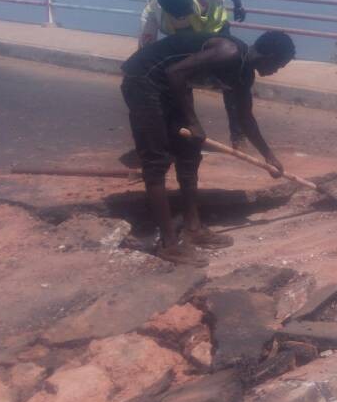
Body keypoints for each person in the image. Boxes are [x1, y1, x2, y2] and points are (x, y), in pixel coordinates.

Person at [120, 30, 295, 266]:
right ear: (270, 55)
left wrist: (268, 156)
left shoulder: (243, 75)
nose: (276, 71)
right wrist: (192, 121)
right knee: (156, 161)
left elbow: (245, 117)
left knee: (190, 153)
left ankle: (193, 228)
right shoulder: (228, 52)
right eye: (279, 65)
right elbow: (174, 72)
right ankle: (169, 244)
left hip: (172, 87)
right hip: (145, 79)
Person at [139, 0, 249, 148]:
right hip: (186, 42)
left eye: (188, 9)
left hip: (217, 32)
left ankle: (238, 135)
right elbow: (146, 50)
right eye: (181, 16)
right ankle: (188, 128)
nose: (187, 15)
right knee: (179, 77)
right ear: (168, 12)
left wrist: (237, 3)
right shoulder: (151, 13)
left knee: (231, 81)